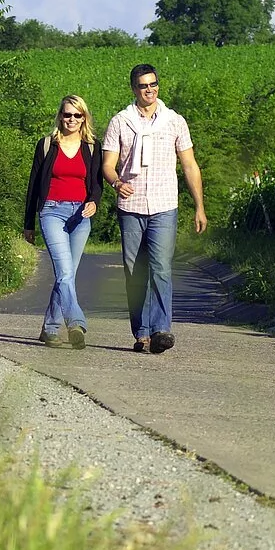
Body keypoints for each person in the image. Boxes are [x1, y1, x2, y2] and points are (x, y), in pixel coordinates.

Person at [100, 64, 206, 354]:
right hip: (131, 205)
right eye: (144, 86)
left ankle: (162, 329)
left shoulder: (174, 121)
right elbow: (108, 165)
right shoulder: (120, 122)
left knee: (161, 266)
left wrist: (199, 206)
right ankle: (142, 331)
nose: (150, 90)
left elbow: (189, 164)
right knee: (135, 270)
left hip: (164, 204)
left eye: (154, 84)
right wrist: (116, 182)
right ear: (134, 89)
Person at [23, 95, 104, 349]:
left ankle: (49, 329)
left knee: (66, 275)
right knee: (65, 273)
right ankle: (76, 323)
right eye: (67, 114)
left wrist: (94, 202)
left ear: (84, 118)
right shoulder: (47, 145)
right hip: (51, 212)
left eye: (77, 115)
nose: (71, 119)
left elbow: (97, 184)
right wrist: (28, 224)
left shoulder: (92, 147)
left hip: (80, 215)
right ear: (60, 116)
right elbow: (34, 185)